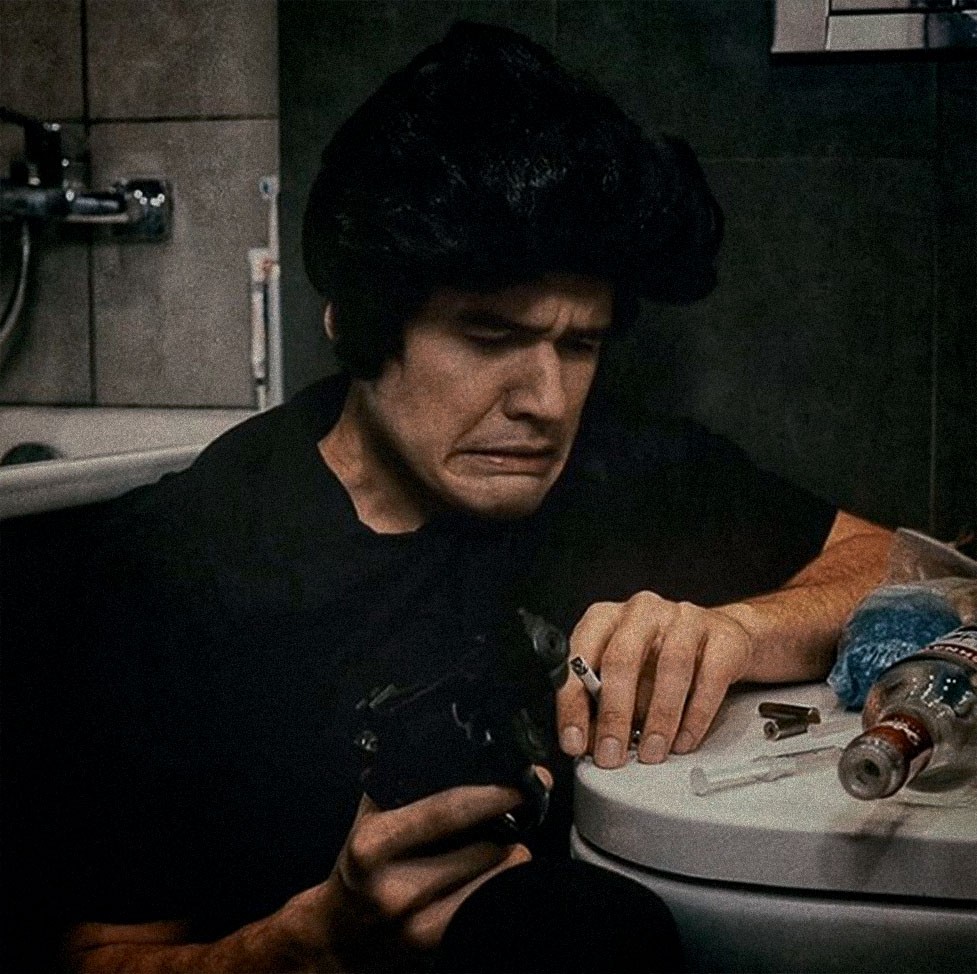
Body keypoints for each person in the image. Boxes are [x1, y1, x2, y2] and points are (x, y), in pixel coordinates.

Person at [0, 21, 892, 974]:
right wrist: (309, 946)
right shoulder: (183, 563)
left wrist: (745, 630)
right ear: (358, 320)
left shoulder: (622, 464)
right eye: (488, 336)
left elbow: (901, 566)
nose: (546, 402)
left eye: (579, 344)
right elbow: (98, 956)